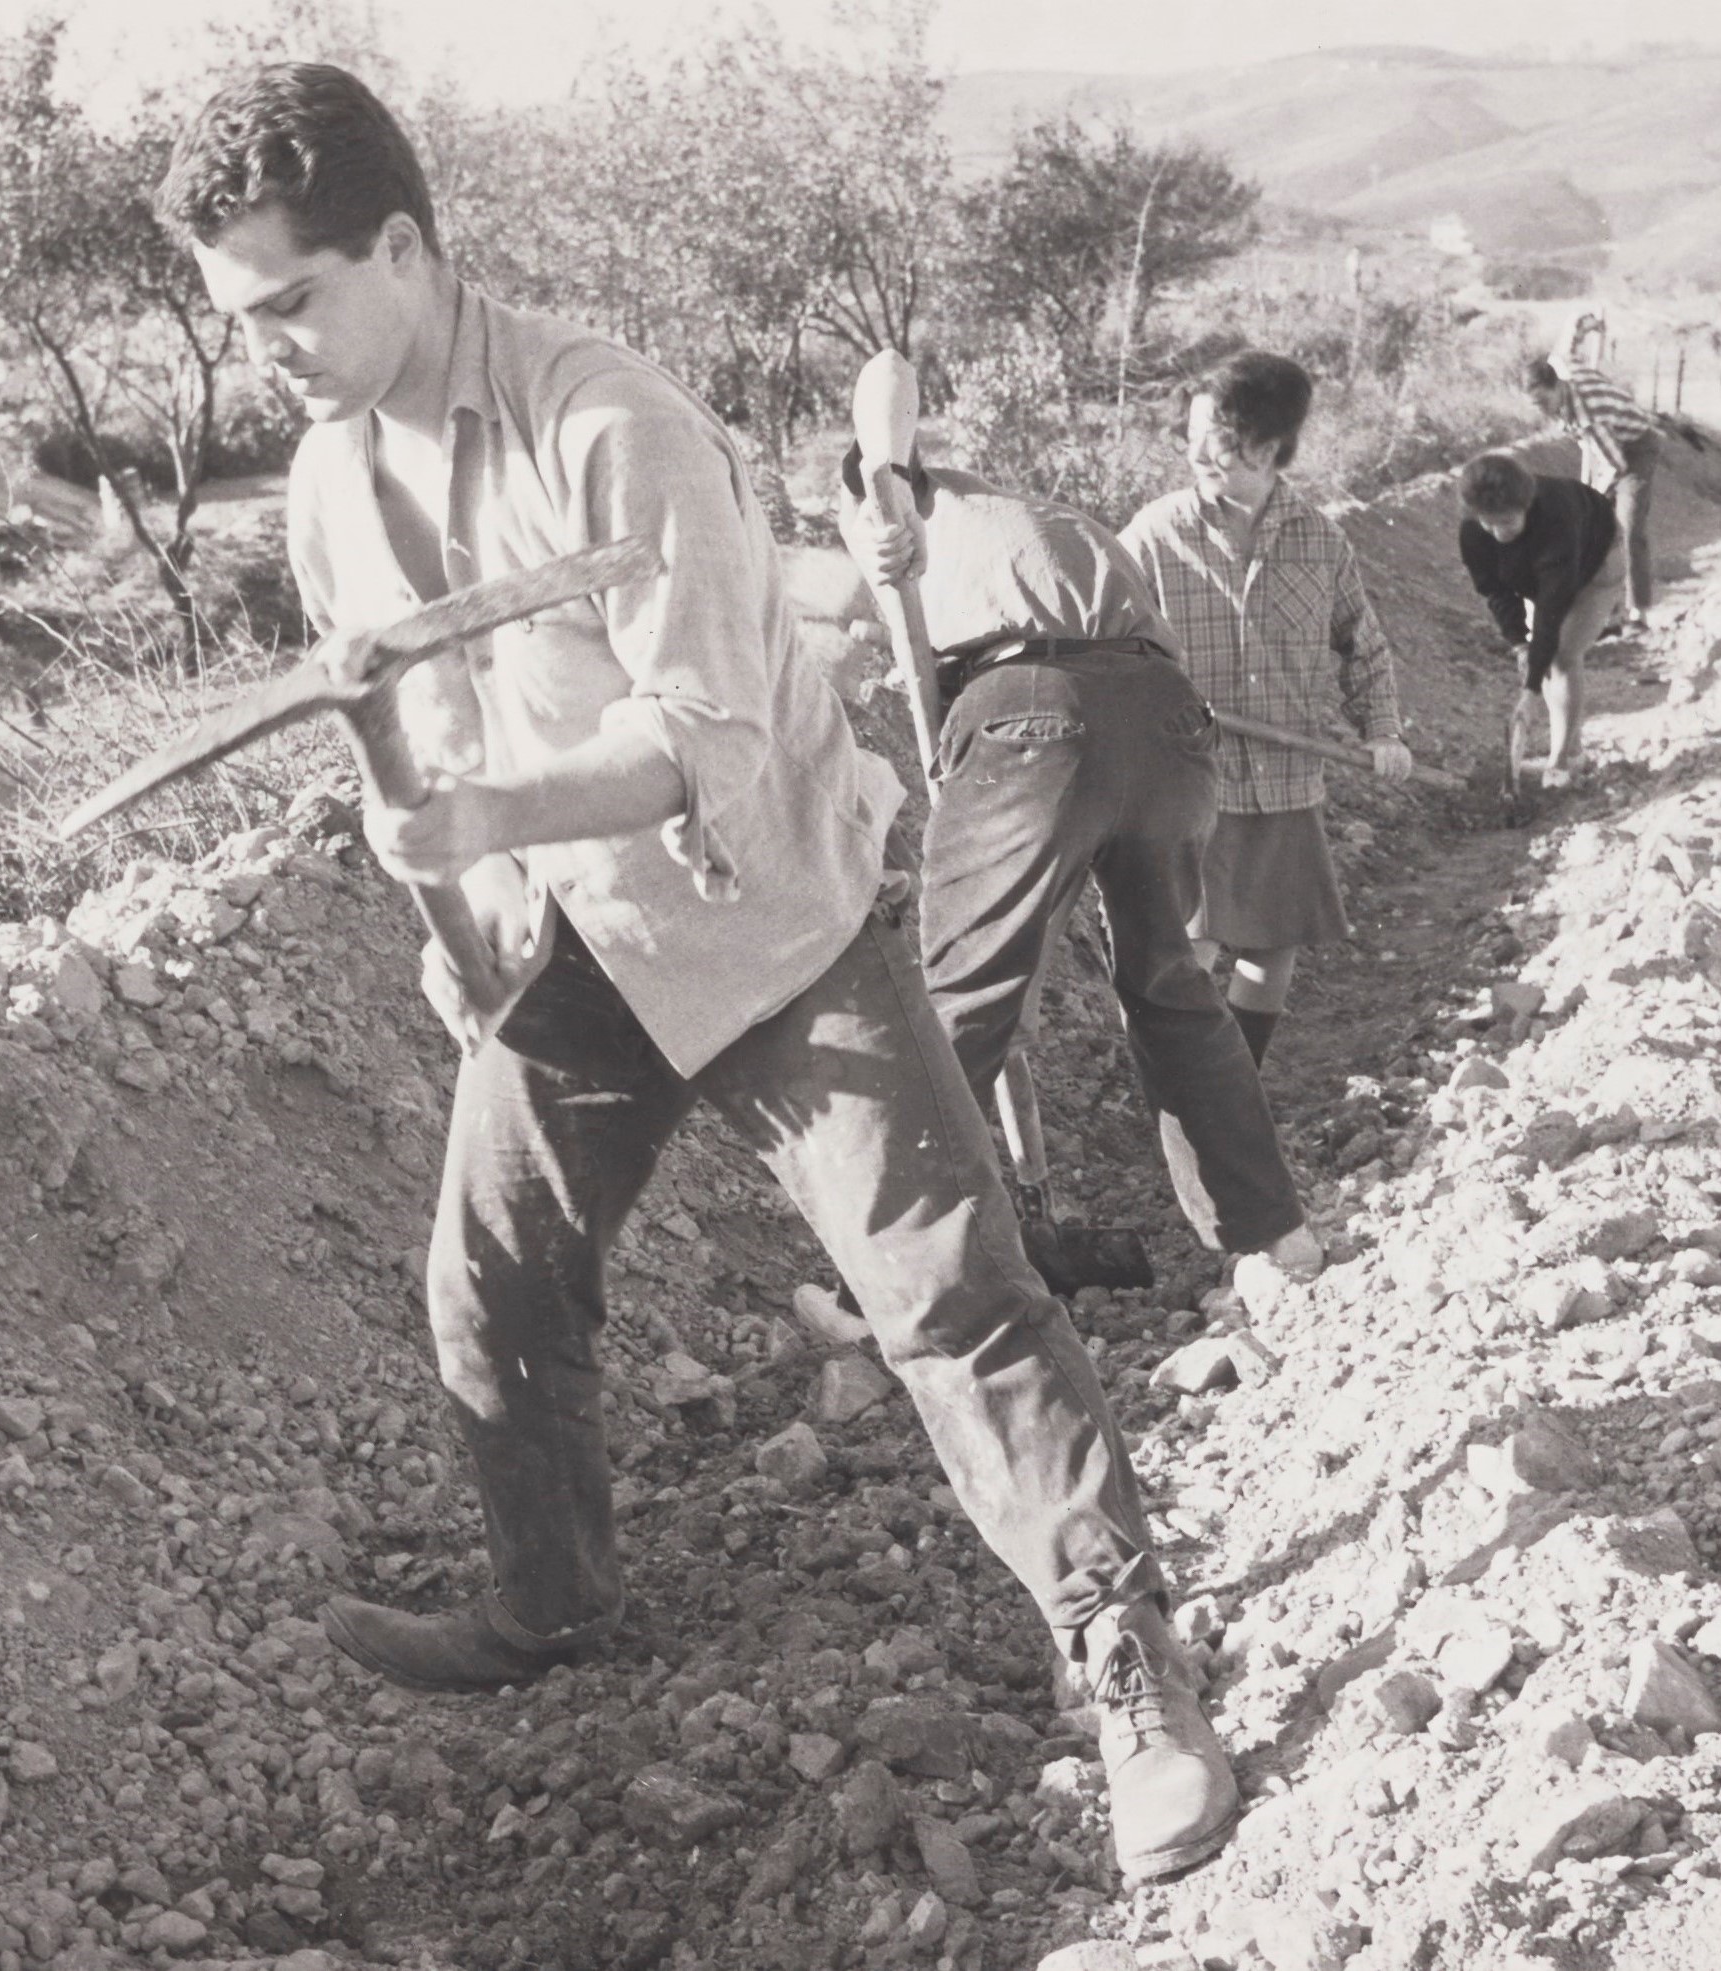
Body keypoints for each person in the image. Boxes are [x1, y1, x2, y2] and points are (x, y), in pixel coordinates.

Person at [153, 63, 1237, 1885]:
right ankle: (550, 1603)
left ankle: (1127, 1659)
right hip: (575, 943)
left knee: (951, 1299)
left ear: (402, 248)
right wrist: (467, 907)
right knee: (488, 1287)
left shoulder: (609, 422)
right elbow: (410, 728)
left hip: (774, 920)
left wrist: (489, 803)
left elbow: (707, 740)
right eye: (235, 319)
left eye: (289, 304)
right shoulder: (330, 485)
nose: (265, 352)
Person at [830, 450, 1325, 1285]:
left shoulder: (899, 511)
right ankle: (1274, 1238)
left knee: (961, 999)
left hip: (1028, 710)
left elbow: (883, 382)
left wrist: (878, 526)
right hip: (1167, 719)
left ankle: (888, 1281)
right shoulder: (1036, 520)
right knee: (1171, 985)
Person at [1117, 351, 1413, 1073]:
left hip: (1284, 776)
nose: (1195, 454)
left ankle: (1235, 1080)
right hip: (1188, 781)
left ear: (1269, 445)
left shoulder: (1319, 540)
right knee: (1188, 946)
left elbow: (1361, 644)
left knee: (1270, 944)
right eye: (1187, 437)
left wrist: (1383, 732)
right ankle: (1172, 1087)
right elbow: (1104, 640)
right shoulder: (1154, 536)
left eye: (1215, 439)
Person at [1456, 450, 1625, 789]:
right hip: (1539, 571)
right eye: (1488, 523)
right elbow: (1497, 592)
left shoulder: (1557, 517)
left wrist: (1529, 691)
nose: (1497, 533)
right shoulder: (1474, 530)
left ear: (1526, 506)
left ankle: (1561, 763)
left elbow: (1552, 607)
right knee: (1541, 657)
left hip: (1596, 558)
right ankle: (1573, 752)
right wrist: (1519, 644)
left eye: (1506, 522)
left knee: (1561, 657)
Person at [1524, 352, 1658, 634]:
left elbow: (1615, 465)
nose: (1544, 410)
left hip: (1636, 449)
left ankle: (1638, 614)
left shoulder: (1589, 415)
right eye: (1536, 405)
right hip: (1607, 446)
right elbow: (1564, 346)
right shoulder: (1561, 372)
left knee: (1628, 527)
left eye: (1544, 402)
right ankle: (1604, 616)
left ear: (1558, 387)